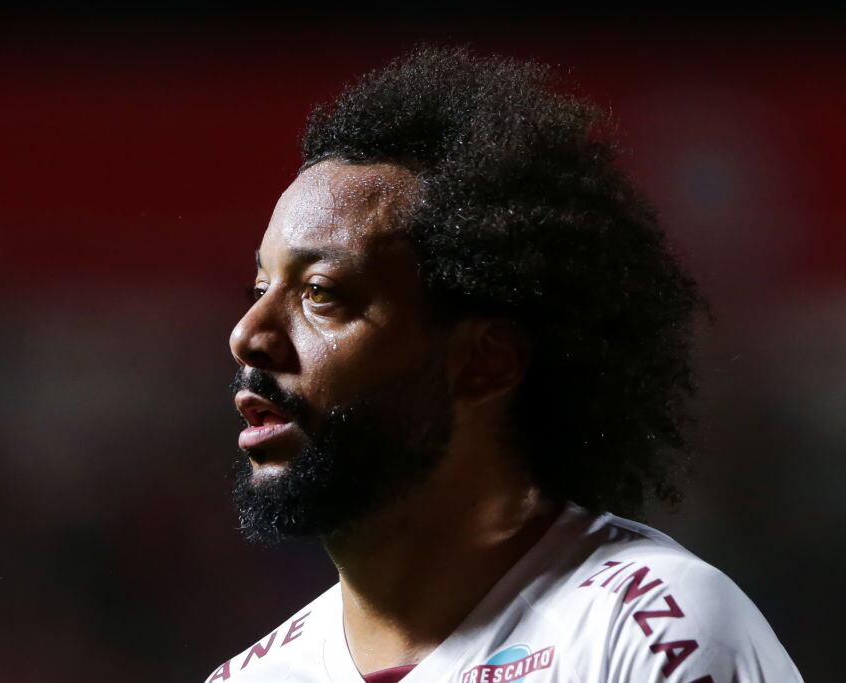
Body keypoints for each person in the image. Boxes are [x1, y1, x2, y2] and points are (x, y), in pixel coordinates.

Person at [210, 46, 802, 683]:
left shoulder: (651, 637)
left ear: (485, 362)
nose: (248, 335)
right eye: (259, 287)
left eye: (320, 293)